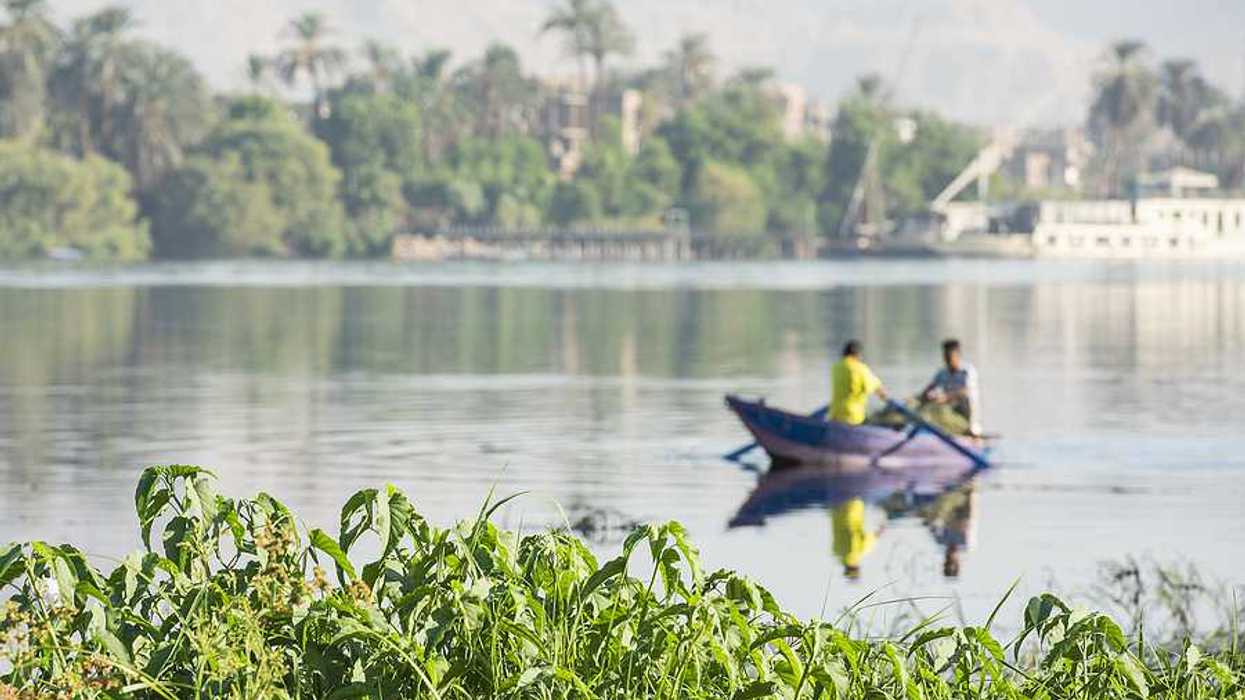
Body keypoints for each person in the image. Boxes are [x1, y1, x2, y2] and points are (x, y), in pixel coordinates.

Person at [919, 339, 981, 436]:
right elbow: (930, 388)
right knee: (925, 407)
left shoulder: (968, 371)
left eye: (949, 357)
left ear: (957, 355)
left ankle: (962, 430)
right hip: (949, 413)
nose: (946, 360)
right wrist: (924, 397)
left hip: (967, 419)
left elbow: (966, 391)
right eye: (945, 357)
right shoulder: (942, 372)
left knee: (939, 410)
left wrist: (946, 397)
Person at [830, 340, 888, 425]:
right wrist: (885, 398)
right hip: (853, 418)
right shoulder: (860, 369)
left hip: (835, 416)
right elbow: (880, 390)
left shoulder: (836, 367)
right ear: (858, 355)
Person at [830, 497, 885, 581]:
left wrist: (878, 533)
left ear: (857, 568)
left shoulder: (857, 553)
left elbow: (868, 540)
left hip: (853, 507)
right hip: (836, 507)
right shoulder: (836, 552)